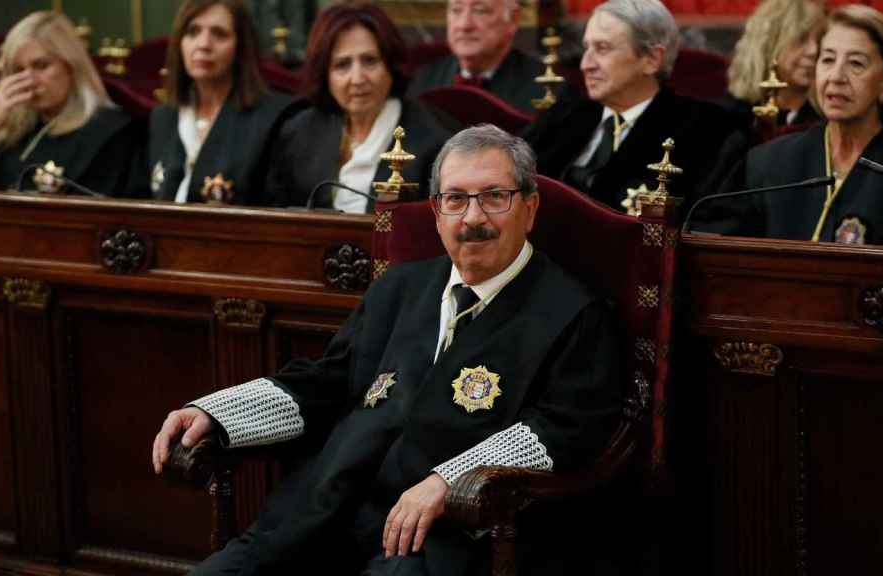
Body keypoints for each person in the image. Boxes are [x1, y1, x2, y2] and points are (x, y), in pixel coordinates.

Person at [152, 124, 621, 575]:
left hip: (442, 539)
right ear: (437, 214)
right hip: (324, 515)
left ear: (530, 207)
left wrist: (450, 481)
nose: (474, 218)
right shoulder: (399, 288)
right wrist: (218, 412)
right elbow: (326, 382)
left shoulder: (574, 313)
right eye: (456, 199)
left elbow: (562, 432)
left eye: (495, 197)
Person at [700, 4, 883, 247]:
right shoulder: (768, 164)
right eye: (828, 59)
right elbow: (717, 250)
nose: (836, 77)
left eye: (856, 64)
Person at [523, 0, 745, 213]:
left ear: (651, 59)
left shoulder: (704, 131)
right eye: (586, 49)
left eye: (602, 49)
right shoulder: (564, 115)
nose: (585, 64)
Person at [266, 2, 451, 213]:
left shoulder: (434, 142)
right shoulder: (298, 133)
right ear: (325, 75)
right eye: (342, 65)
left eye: (370, 61)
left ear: (390, 65)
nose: (357, 79)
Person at [0, 11, 140, 197]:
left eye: (41, 66)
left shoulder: (110, 131)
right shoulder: (12, 131)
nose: (29, 80)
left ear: (71, 67)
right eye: (19, 70)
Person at [143, 0, 300, 205]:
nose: (204, 44)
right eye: (193, 32)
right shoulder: (163, 117)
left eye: (219, 34)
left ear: (241, 46)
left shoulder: (274, 117)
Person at [405, 0, 545, 113]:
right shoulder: (423, 82)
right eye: (456, 10)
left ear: (513, 19)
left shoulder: (545, 90)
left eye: (480, 10)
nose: (464, 25)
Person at [723, 0, 825, 130]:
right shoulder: (730, 118)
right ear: (769, 44)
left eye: (820, 39)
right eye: (801, 39)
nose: (814, 50)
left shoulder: (828, 118)